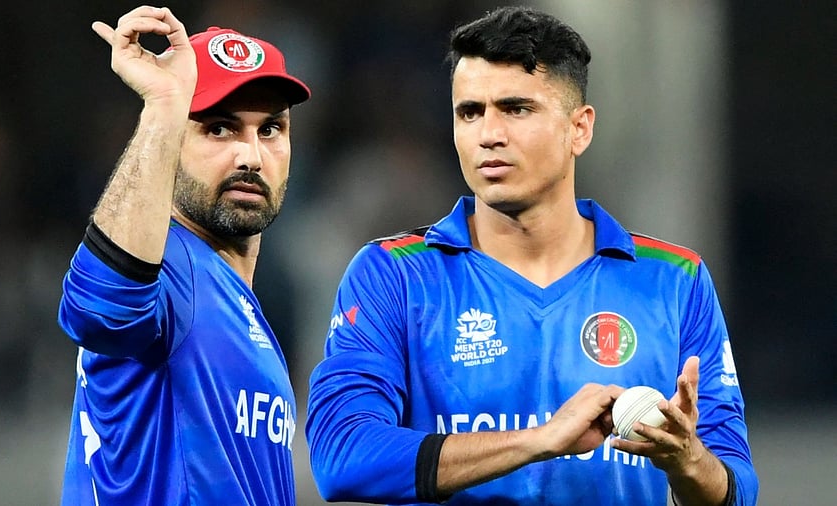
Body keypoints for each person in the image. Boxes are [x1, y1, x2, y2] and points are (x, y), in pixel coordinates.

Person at [305, 6, 757, 506]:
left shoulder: (675, 280)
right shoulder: (394, 274)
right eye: (469, 112)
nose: (488, 134)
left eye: (516, 109)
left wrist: (687, 459)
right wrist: (541, 440)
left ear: (579, 129)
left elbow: (737, 489)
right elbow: (341, 455)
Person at [56, 6, 310, 505]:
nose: (250, 156)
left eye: (270, 130)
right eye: (218, 128)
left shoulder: (237, 301)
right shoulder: (169, 268)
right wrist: (163, 108)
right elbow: (97, 310)